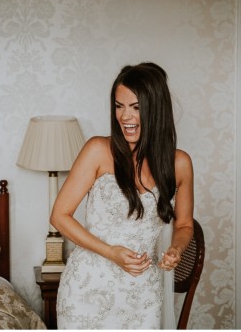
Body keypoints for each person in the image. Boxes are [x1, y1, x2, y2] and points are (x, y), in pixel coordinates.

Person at [51, 63, 194, 329]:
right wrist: (111, 252)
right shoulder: (97, 150)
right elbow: (59, 216)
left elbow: (184, 225)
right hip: (87, 289)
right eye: (119, 106)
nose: (125, 116)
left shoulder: (180, 164)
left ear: (156, 110)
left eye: (136, 107)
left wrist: (176, 248)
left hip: (143, 292)